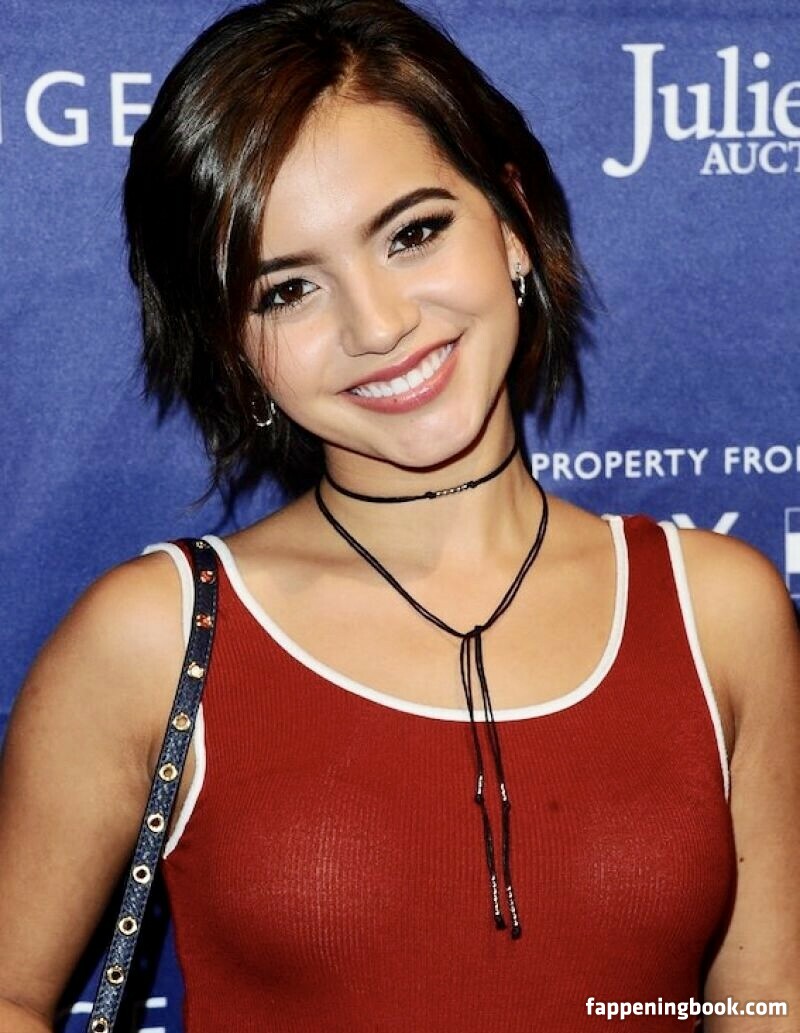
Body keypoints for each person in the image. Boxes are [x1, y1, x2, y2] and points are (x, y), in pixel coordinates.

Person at [0, 0, 798, 1030]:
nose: (377, 325)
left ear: (510, 222)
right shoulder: (154, 636)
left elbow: (768, 1003)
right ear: (231, 345)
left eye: (413, 233)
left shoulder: (717, 611)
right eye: (286, 289)